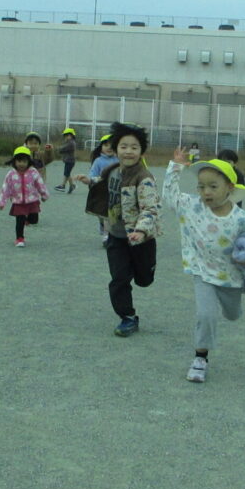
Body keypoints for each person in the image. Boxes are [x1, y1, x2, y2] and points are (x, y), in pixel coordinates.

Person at [164, 148, 245, 383]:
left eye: (213, 186)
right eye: (201, 186)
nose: (206, 192)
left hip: (231, 277)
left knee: (232, 315)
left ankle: (231, 307)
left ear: (230, 188)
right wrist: (175, 167)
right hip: (202, 272)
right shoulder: (193, 207)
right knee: (206, 314)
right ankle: (200, 358)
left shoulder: (241, 218)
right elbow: (170, 198)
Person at [86, 121, 161, 337]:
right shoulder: (111, 170)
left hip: (141, 239)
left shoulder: (144, 178)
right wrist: (88, 181)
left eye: (134, 147)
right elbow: (102, 182)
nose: (128, 151)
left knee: (144, 280)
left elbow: (150, 208)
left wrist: (142, 230)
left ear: (141, 151)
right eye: (124, 146)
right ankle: (127, 317)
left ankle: (147, 270)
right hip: (117, 237)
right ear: (116, 148)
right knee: (119, 278)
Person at [0, 146, 49, 247]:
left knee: (34, 220)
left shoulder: (33, 172)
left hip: (32, 201)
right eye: (19, 161)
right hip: (18, 202)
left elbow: (40, 184)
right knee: (19, 221)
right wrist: (1, 202)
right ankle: (19, 238)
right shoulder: (11, 174)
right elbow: (5, 188)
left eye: (24, 161)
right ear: (14, 161)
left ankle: (27, 219)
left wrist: (44, 195)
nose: (21, 164)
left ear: (28, 162)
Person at [75, 134, 118, 244]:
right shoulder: (98, 161)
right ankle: (105, 233)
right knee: (103, 216)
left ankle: (109, 235)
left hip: (115, 193)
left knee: (113, 215)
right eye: (106, 145)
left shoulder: (119, 160)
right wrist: (87, 179)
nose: (109, 147)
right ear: (101, 147)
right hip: (102, 193)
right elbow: (92, 175)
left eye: (112, 145)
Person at [54, 127, 78, 193]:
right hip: (69, 161)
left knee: (67, 173)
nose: (66, 137)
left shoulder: (71, 143)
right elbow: (63, 150)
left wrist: (57, 148)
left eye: (68, 135)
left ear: (72, 135)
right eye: (65, 136)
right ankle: (71, 185)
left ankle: (63, 185)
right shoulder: (69, 142)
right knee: (67, 174)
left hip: (70, 161)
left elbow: (63, 149)